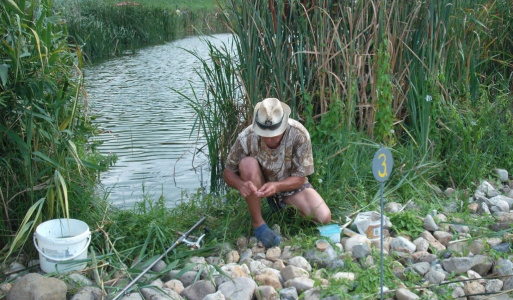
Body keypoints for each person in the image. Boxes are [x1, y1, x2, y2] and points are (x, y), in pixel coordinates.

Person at [223, 98, 331, 248]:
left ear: (284, 124)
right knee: (247, 164)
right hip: (258, 185)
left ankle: (282, 206)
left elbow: (300, 178)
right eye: (265, 134)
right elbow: (228, 172)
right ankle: (259, 224)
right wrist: (241, 184)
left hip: (290, 185)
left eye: (274, 133)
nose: (270, 138)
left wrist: (277, 187)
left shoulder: (299, 134)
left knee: (324, 217)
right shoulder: (246, 136)